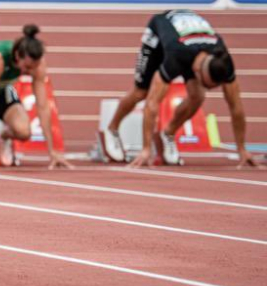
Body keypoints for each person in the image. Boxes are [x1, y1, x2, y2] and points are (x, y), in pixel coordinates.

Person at [101, 10, 262, 169]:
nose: (208, 88)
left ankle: (168, 133)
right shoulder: (176, 56)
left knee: (198, 96)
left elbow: (236, 108)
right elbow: (152, 102)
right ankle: (112, 128)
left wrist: (242, 149)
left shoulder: (223, 60)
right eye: (206, 84)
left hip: (192, 43)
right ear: (198, 70)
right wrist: (146, 149)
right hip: (158, 38)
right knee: (141, 92)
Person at [0, 25, 72, 170]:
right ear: (18, 57)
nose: (29, 71)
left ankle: (4, 137)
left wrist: (53, 151)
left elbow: (43, 106)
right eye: (27, 67)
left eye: (33, 67)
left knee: (24, 131)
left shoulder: (37, 64)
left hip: (3, 89)